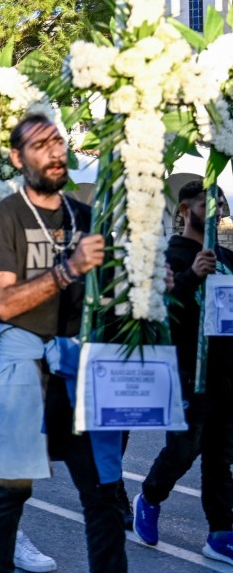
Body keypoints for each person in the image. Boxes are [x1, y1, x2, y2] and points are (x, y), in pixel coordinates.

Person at [0, 113, 123, 573]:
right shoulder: (3, 216)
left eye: (58, 142)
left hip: (82, 375)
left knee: (105, 499)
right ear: (18, 158)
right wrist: (68, 269)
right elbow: (2, 302)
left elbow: (110, 291)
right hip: (24, 373)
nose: (54, 152)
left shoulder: (86, 215)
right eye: (40, 145)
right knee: (10, 495)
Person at [132, 180, 233, 565]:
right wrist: (191, 275)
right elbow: (159, 310)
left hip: (226, 372)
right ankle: (152, 495)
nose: (217, 203)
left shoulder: (226, 256)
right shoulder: (172, 254)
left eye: (220, 197)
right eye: (208, 198)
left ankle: (221, 532)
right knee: (183, 450)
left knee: (220, 457)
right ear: (185, 207)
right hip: (189, 369)